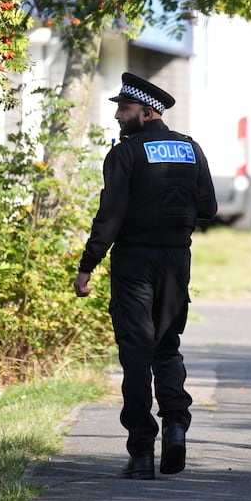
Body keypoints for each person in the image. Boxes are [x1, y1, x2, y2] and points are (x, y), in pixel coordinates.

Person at [73, 72, 217, 480]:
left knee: (136, 353)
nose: (118, 116)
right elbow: (208, 207)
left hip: (134, 262)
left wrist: (87, 266)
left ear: (148, 111)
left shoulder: (126, 153)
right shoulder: (191, 149)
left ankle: (141, 454)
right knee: (167, 346)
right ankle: (175, 427)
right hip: (176, 261)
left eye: (125, 109)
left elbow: (110, 217)